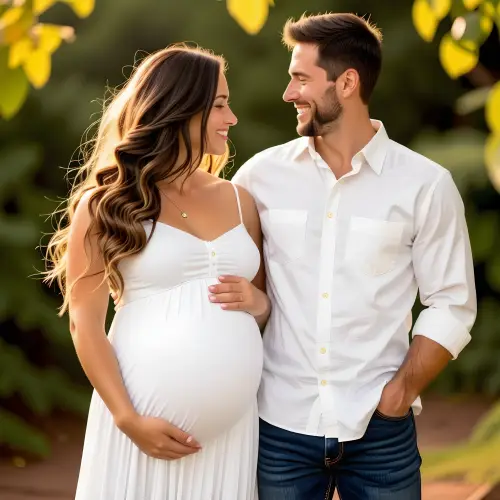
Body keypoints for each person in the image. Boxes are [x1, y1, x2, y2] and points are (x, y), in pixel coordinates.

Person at [232, 12, 476, 500]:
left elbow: (452, 302)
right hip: (279, 425)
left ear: (347, 82)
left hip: (380, 430)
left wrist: (400, 391)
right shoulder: (258, 178)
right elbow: (242, 289)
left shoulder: (425, 185)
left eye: (301, 79)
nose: (289, 93)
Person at [44, 45, 270, 500]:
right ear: (180, 107)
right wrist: (128, 419)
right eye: (220, 104)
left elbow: (263, 308)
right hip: (140, 429)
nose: (233, 118)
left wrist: (259, 303)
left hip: (230, 437)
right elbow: (84, 325)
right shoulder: (105, 205)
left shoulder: (239, 199)